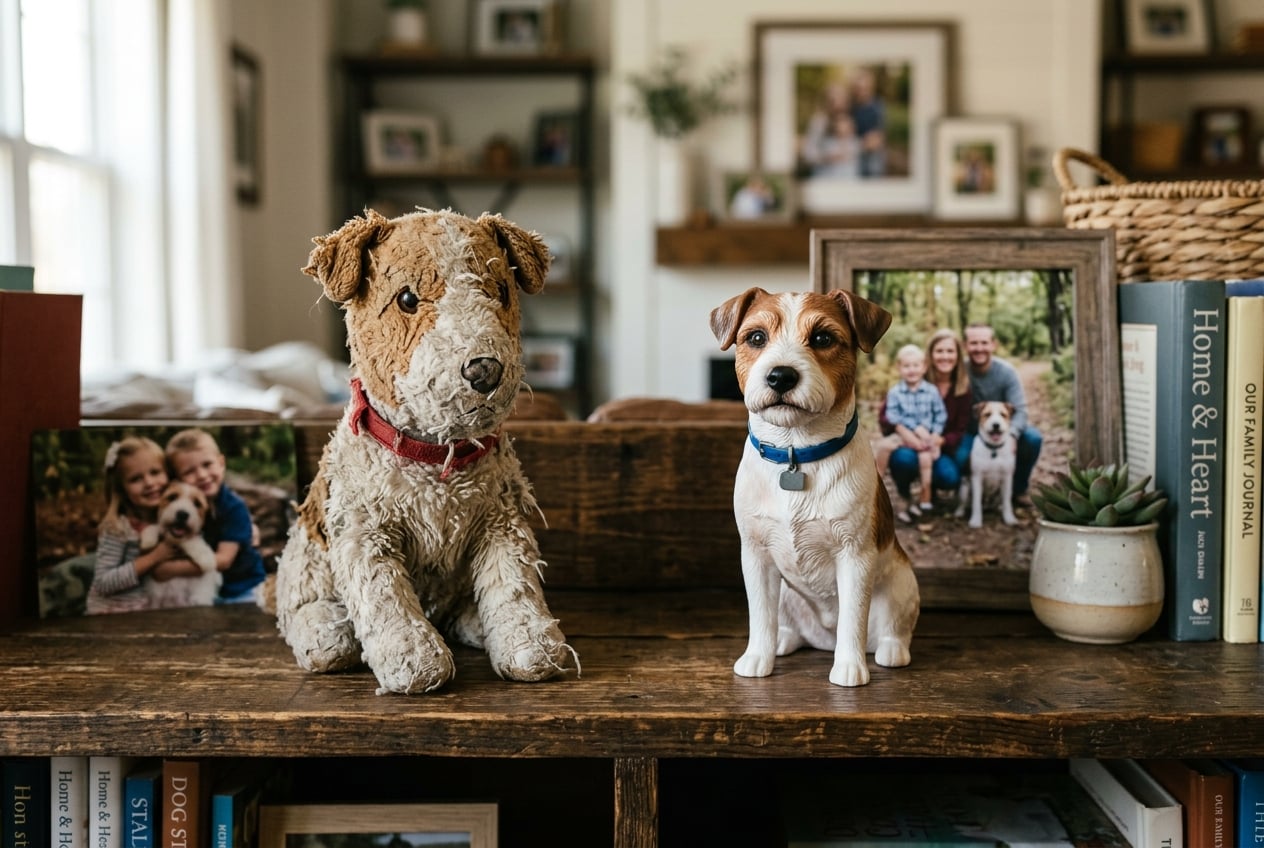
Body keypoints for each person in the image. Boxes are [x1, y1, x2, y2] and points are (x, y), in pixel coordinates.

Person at [86, 436, 191, 614]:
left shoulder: (169, 518)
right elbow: (103, 583)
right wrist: (154, 557)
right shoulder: (119, 528)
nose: (149, 483)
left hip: (153, 607)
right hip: (115, 612)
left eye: (155, 472)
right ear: (121, 489)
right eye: (136, 479)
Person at [165, 428, 266, 603]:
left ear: (221, 463)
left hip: (243, 589)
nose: (202, 475)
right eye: (189, 472)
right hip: (209, 589)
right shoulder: (182, 510)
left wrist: (170, 569)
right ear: (177, 479)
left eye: (207, 465)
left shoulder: (234, 507)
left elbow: (224, 560)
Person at [882, 329, 973, 513]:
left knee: (948, 477)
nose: (945, 356)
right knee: (902, 459)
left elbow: (960, 429)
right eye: (939, 351)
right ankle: (902, 495)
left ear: (958, 355)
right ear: (930, 355)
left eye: (950, 351)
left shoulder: (962, 388)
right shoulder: (913, 379)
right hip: (908, 440)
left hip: (937, 444)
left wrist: (938, 439)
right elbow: (885, 415)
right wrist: (906, 431)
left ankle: (929, 494)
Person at [963, 323, 1043, 504]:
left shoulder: (1006, 373)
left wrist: (1013, 435)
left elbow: (1021, 411)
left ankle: (1017, 489)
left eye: (984, 343)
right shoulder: (960, 371)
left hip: (1003, 431)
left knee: (1032, 438)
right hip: (969, 432)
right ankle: (959, 492)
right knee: (959, 455)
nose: (979, 348)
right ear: (965, 345)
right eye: (974, 343)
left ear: (993, 344)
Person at [874, 344, 947, 523]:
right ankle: (875, 488)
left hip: (927, 438)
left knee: (925, 460)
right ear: (899, 368)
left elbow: (941, 414)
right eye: (907, 366)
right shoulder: (896, 392)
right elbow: (892, 415)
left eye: (916, 366)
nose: (911, 370)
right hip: (903, 434)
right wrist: (914, 428)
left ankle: (925, 496)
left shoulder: (931, 391)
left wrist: (933, 436)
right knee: (883, 447)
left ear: (924, 367)